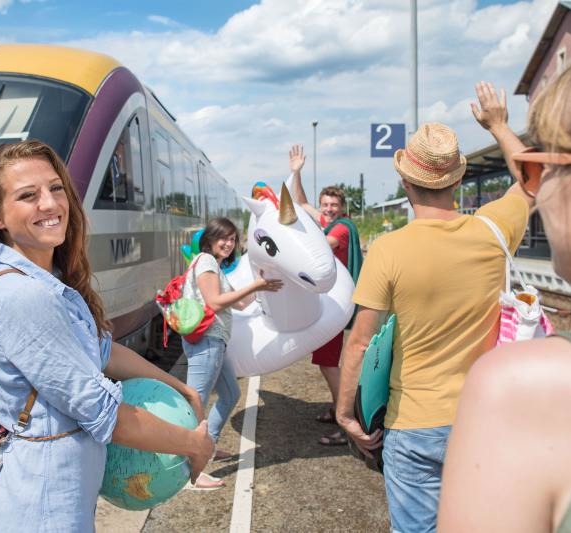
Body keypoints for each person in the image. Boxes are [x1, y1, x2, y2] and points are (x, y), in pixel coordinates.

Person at [0, 140, 213, 532]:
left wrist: (181, 388)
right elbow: (103, 413)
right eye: (28, 195)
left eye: (55, 188)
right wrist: (193, 445)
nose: (50, 204)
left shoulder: (47, 283)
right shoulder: (23, 295)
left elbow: (101, 351)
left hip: (56, 498)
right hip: (42, 509)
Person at [336, 118, 533, 532]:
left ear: (406, 184)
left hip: (413, 422)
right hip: (484, 418)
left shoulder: (389, 250)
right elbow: (533, 174)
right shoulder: (493, 230)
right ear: (457, 181)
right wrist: (498, 123)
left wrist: (345, 415)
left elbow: (359, 343)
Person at [439, 71, 571, 532]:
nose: (535, 194)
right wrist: (501, 128)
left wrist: (501, 128)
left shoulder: (523, 386)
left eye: (543, 166)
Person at [181, 217, 283, 489]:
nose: (228, 243)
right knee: (196, 402)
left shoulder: (213, 266)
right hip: (207, 342)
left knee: (230, 394)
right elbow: (214, 302)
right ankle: (190, 471)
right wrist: (256, 286)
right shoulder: (206, 262)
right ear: (210, 239)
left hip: (215, 342)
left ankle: (208, 447)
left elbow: (238, 303)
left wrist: (263, 287)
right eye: (222, 238)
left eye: (232, 238)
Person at [288, 145, 360, 446]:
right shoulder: (330, 220)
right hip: (331, 302)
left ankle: (347, 420)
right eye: (325, 205)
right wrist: (296, 171)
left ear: (341, 208)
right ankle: (336, 409)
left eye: (333, 205)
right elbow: (302, 202)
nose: (328, 209)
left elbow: (324, 246)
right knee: (325, 361)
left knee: (330, 363)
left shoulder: (340, 228)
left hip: (336, 305)